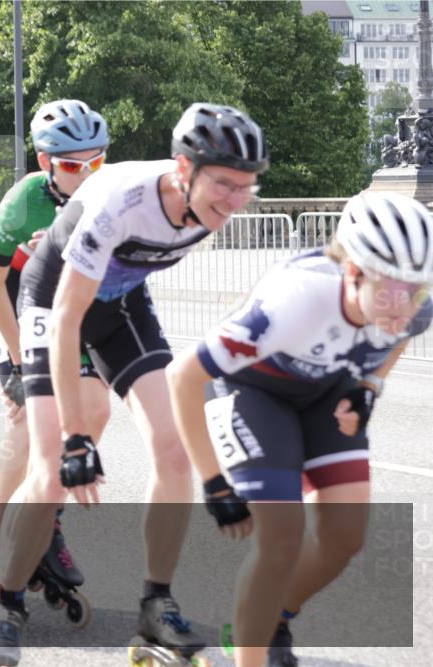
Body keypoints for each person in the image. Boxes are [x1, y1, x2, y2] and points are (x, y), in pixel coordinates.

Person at [0, 103, 269, 667]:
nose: (235, 201)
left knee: (174, 449)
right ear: (184, 169)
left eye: (246, 188)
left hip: (121, 303)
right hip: (53, 300)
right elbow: (65, 319)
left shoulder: (208, 208)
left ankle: (156, 603)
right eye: (225, 185)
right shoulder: (122, 202)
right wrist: (77, 438)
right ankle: (5, 603)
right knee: (51, 467)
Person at [165, 191, 433, 667]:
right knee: (281, 539)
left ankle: (272, 621)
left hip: (326, 392)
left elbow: (402, 336)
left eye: (418, 291)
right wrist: (213, 483)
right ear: (353, 273)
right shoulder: (294, 299)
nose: (406, 307)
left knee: (345, 538)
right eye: (393, 293)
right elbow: (183, 376)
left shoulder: (410, 302)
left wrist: (368, 386)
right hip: (253, 393)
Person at [0, 99, 112, 608]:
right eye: (74, 165)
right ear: (44, 163)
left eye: (96, 161)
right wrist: (16, 361)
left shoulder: (107, 197)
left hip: (68, 311)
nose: (87, 173)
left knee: (96, 408)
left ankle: (46, 519)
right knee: (28, 420)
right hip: (13, 307)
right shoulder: (23, 201)